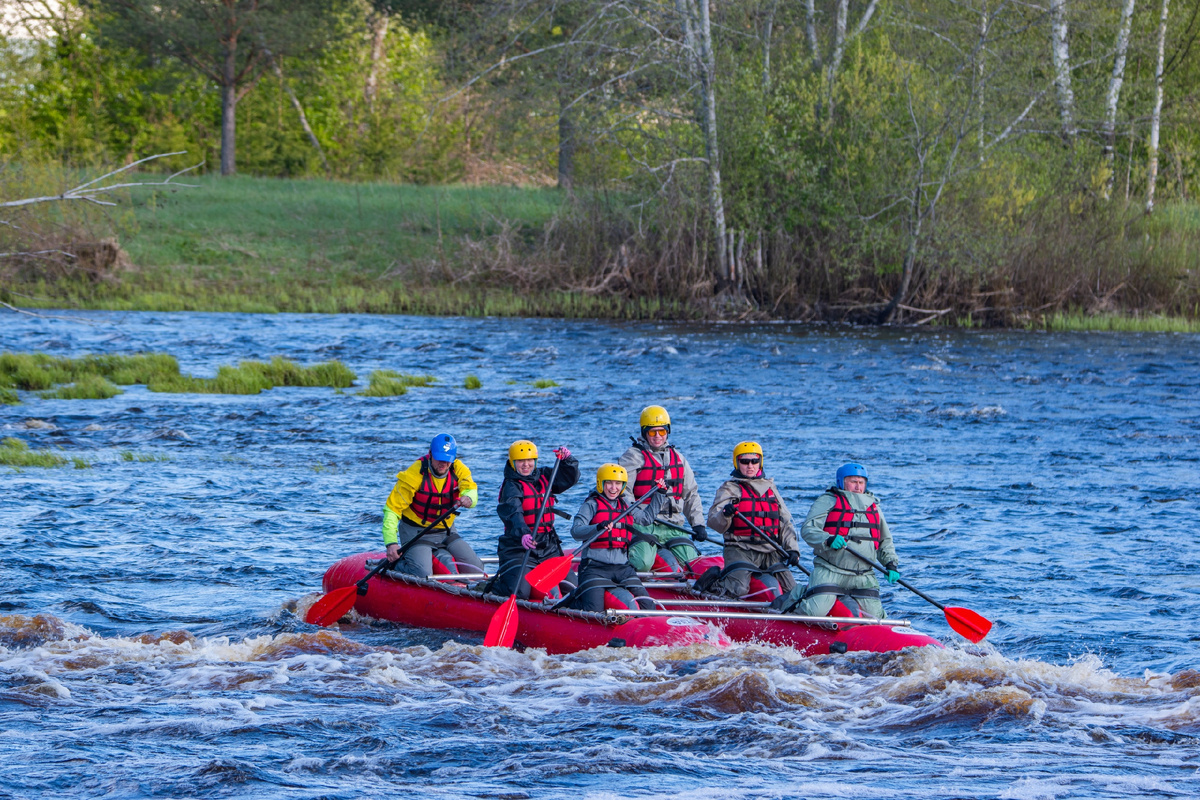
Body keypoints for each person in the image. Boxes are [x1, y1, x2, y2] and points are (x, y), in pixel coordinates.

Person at [782, 462, 900, 619]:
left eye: (861, 482)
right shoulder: (828, 501)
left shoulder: (874, 507)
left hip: (863, 575)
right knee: (814, 612)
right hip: (830, 570)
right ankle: (797, 596)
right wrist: (827, 539)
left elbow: (885, 540)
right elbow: (808, 529)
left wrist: (890, 564)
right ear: (841, 482)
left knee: (877, 618)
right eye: (853, 481)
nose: (858, 486)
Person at [617, 405, 708, 573]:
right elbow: (623, 492)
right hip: (644, 525)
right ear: (645, 432)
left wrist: (698, 524)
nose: (658, 436)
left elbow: (691, 494)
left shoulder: (678, 458)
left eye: (662, 431)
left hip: (673, 525)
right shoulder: (633, 457)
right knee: (642, 563)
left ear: (668, 431)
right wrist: (639, 516)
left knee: (693, 565)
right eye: (652, 432)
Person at [382, 433, 487, 578]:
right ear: (430, 453)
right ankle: (398, 564)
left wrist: (469, 498)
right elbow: (392, 510)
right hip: (416, 533)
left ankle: (439, 556)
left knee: (477, 570)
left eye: (447, 460)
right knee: (422, 573)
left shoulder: (459, 469)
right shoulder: (414, 474)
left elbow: (471, 489)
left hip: (446, 531)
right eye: (439, 458)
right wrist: (391, 543)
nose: (443, 464)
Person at [704, 442, 801, 599]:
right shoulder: (729, 488)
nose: (750, 466)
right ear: (737, 463)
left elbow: (785, 522)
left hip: (770, 550)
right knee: (738, 588)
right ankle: (712, 584)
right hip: (740, 549)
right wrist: (725, 514)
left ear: (760, 462)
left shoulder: (770, 488)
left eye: (754, 461)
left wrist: (793, 550)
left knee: (793, 591)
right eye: (745, 461)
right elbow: (713, 522)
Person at [568, 464, 668, 612]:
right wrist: (597, 527)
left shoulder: (626, 505)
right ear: (601, 483)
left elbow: (645, 519)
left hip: (623, 568)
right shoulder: (591, 505)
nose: (613, 488)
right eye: (609, 483)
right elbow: (576, 532)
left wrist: (660, 494)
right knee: (594, 609)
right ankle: (569, 602)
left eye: (618, 483)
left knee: (648, 605)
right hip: (594, 568)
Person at [493, 439, 580, 599]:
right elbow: (513, 513)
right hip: (519, 547)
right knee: (520, 592)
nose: (526, 465)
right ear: (513, 462)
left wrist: (568, 461)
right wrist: (523, 534)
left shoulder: (544, 475)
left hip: (548, 546)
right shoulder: (511, 486)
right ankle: (493, 588)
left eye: (530, 460)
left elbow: (568, 478)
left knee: (574, 588)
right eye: (521, 461)